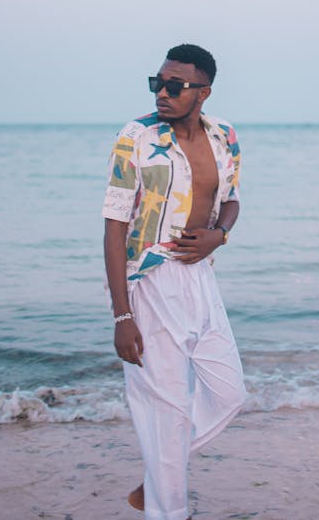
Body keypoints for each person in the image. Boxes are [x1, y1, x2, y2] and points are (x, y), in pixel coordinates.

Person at [102, 43, 247, 520]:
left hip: (201, 277)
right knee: (165, 413)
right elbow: (115, 224)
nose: (162, 92)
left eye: (175, 86)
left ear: (203, 92)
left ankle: (155, 481)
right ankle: (168, 509)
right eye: (157, 83)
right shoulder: (137, 136)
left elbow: (231, 200)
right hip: (150, 281)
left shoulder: (225, 136)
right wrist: (122, 315)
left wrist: (219, 236)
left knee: (229, 393)